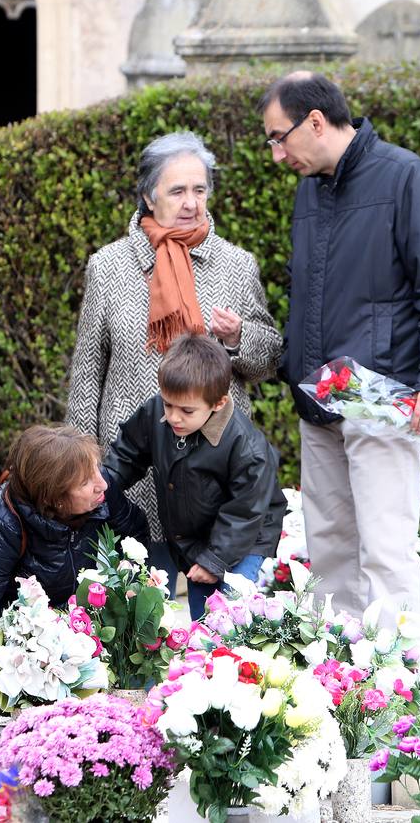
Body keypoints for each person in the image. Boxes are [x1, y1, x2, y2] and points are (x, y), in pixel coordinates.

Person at [259, 71, 420, 627]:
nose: (277, 154)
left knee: (386, 550)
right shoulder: (311, 191)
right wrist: (293, 368)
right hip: (318, 402)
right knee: (328, 552)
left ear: (315, 122)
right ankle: (344, 685)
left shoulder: (405, 178)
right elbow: (308, 295)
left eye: (278, 137)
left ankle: (396, 692)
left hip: (384, 400)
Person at [66, 131, 282, 593]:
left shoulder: (236, 265)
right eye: (177, 190)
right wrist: (82, 465)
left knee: (217, 628)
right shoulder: (109, 266)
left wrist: (239, 336)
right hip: (134, 469)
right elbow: (87, 373)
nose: (191, 202)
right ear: (148, 195)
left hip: (215, 478)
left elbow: (268, 358)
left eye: (199, 190)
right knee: (139, 618)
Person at [0, 426, 147, 696]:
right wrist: (8, 690)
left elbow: (136, 534)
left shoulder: (102, 491)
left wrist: (127, 581)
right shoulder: (2, 524)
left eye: (98, 470)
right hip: (22, 643)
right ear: (54, 498)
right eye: (86, 482)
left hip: (77, 629)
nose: (103, 484)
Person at [102, 334, 285, 620]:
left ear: (218, 403)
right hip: (198, 536)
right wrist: (104, 484)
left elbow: (245, 510)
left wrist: (215, 560)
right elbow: (128, 453)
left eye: (186, 410)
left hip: (246, 535)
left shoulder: (244, 447)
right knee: (202, 618)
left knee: (228, 616)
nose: (173, 417)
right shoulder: (158, 414)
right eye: (168, 404)